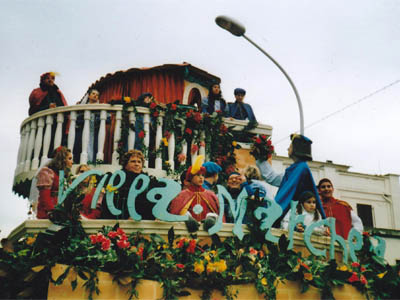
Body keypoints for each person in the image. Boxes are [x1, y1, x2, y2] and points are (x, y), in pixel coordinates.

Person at [256, 134, 326, 223]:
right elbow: (273, 178)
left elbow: (286, 192)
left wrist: (272, 214)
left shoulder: (300, 168)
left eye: (290, 147)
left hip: (296, 215)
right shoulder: (296, 168)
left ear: (296, 149)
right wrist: (260, 158)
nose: (288, 149)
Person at [101, 149, 157, 220]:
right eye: (133, 161)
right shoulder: (117, 180)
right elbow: (109, 202)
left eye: (139, 162)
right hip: (120, 221)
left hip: (142, 222)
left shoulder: (148, 181)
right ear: (125, 165)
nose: (137, 164)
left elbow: (151, 203)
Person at [169, 156, 220, 223]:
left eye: (203, 175)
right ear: (191, 177)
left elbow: (219, 215)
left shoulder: (210, 195)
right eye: (198, 175)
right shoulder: (182, 195)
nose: (201, 178)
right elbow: (175, 214)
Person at [36, 146, 73, 219]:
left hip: (63, 213)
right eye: (69, 159)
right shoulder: (47, 173)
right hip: (50, 213)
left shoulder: (64, 176)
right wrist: (52, 211)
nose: (72, 162)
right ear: (63, 159)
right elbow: (45, 196)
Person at [74, 89, 102, 163]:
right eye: (93, 94)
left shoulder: (100, 108)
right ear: (89, 96)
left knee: (95, 146)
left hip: (94, 132)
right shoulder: (82, 107)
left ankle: (93, 161)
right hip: (83, 131)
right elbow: (77, 119)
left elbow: (106, 120)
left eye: (97, 95)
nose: (95, 96)